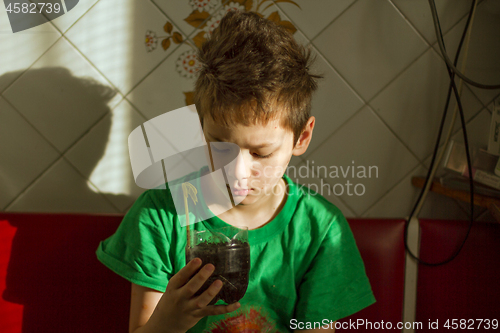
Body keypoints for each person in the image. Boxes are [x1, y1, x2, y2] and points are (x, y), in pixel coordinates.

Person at [96, 10, 375, 333]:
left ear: (302, 137)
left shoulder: (320, 230)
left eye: (261, 153)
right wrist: (169, 320)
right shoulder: (160, 216)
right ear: (200, 129)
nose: (237, 173)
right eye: (219, 145)